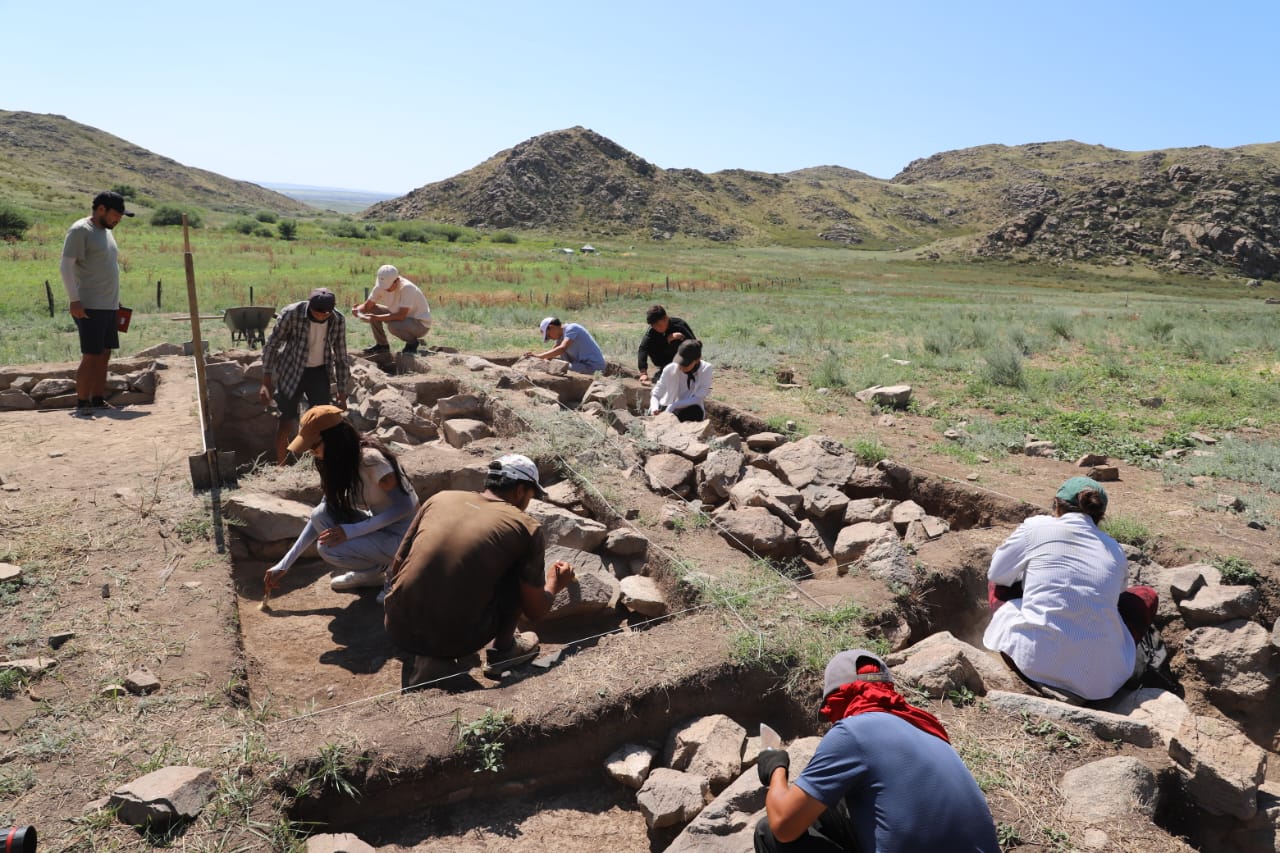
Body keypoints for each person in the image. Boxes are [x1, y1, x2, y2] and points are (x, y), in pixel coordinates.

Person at [754, 649, 999, 853]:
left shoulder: (853, 732)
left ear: (838, 699)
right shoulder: (927, 729)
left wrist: (775, 766)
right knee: (832, 805)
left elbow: (783, 826)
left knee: (769, 834)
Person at [382, 454, 577, 687]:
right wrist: (556, 583)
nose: (528, 502)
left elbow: (397, 565)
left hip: (396, 625)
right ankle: (502, 652)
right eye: (531, 496)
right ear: (520, 491)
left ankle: (428, 646)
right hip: (454, 642)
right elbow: (535, 611)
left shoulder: (440, 498)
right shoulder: (525, 527)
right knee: (515, 574)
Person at [983, 477, 1159, 702]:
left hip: (1032, 661)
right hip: (1099, 681)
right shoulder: (1114, 549)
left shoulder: (1036, 527)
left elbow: (997, 575)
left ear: (1056, 505)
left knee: (1000, 581)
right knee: (1144, 596)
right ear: (1100, 516)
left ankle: (1026, 655)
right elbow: (1118, 595)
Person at [262, 406, 418, 595]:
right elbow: (319, 515)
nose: (312, 452)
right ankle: (371, 573)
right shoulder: (338, 461)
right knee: (321, 515)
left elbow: (405, 507)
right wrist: (284, 564)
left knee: (329, 548)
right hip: (380, 527)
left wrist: (351, 531)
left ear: (332, 439)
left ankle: (394, 572)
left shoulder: (371, 460)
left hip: (405, 538)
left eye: (313, 446)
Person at [60, 191, 134, 418]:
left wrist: (115, 301)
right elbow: (65, 267)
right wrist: (74, 300)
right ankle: (82, 404)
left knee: (104, 353)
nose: (118, 219)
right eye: (115, 214)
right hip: (89, 305)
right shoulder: (81, 230)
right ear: (101, 209)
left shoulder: (106, 232)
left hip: (109, 305)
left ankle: (98, 399)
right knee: (91, 354)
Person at [259, 288, 350, 465]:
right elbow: (271, 345)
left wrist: (341, 390)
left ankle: (321, 464)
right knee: (286, 421)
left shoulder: (337, 320)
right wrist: (266, 381)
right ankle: (281, 466)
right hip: (291, 371)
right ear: (310, 306)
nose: (322, 317)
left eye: (326, 314)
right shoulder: (291, 314)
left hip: (319, 373)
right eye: (317, 313)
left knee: (323, 423)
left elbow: (341, 356)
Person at [352, 264, 432, 355]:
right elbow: (367, 306)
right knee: (373, 309)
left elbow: (401, 316)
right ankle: (382, 345)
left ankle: (412, 343)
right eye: (384, 287)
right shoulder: (380, 285)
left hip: (420, 324)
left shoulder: (407, 288)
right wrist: (358, 311)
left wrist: (376, 318)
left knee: (393, 326)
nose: (386, 289)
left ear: (397, 280)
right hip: (400, 317)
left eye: (388, 287)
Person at [648, 339, 712, 422]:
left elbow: (698, 398)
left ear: (697, 360)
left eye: (685, 364)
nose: (681, 367)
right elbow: (656, 394)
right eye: (680, 363)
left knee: (695, 413)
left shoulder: (706, 369)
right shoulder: (670, 369)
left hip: (688, 408)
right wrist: (654, 408)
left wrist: (675, 405)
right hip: (667, 405)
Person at [637, 304, 695, 386]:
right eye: (654, 326)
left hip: (684, 363)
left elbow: (694, 345)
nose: (657, 328)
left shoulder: (679, 325)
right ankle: (664, 371)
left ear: (666, 318)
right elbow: (643, 349)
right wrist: (643, 373)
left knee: (678, 341)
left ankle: (686, 373)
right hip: (663, 360)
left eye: (659, 325)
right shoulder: (652, 331)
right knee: (650, 343)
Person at [525, 316, 606, 374]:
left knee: (557, 367)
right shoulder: (561, 338)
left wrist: (538, 356)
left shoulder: (572, 328)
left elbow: (562, 349)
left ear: (552, 327)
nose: (551, 338)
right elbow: (553, 353)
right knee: (556, 363)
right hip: (580, 364)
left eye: (549, 335)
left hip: (593, 366)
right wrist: (537, 360)